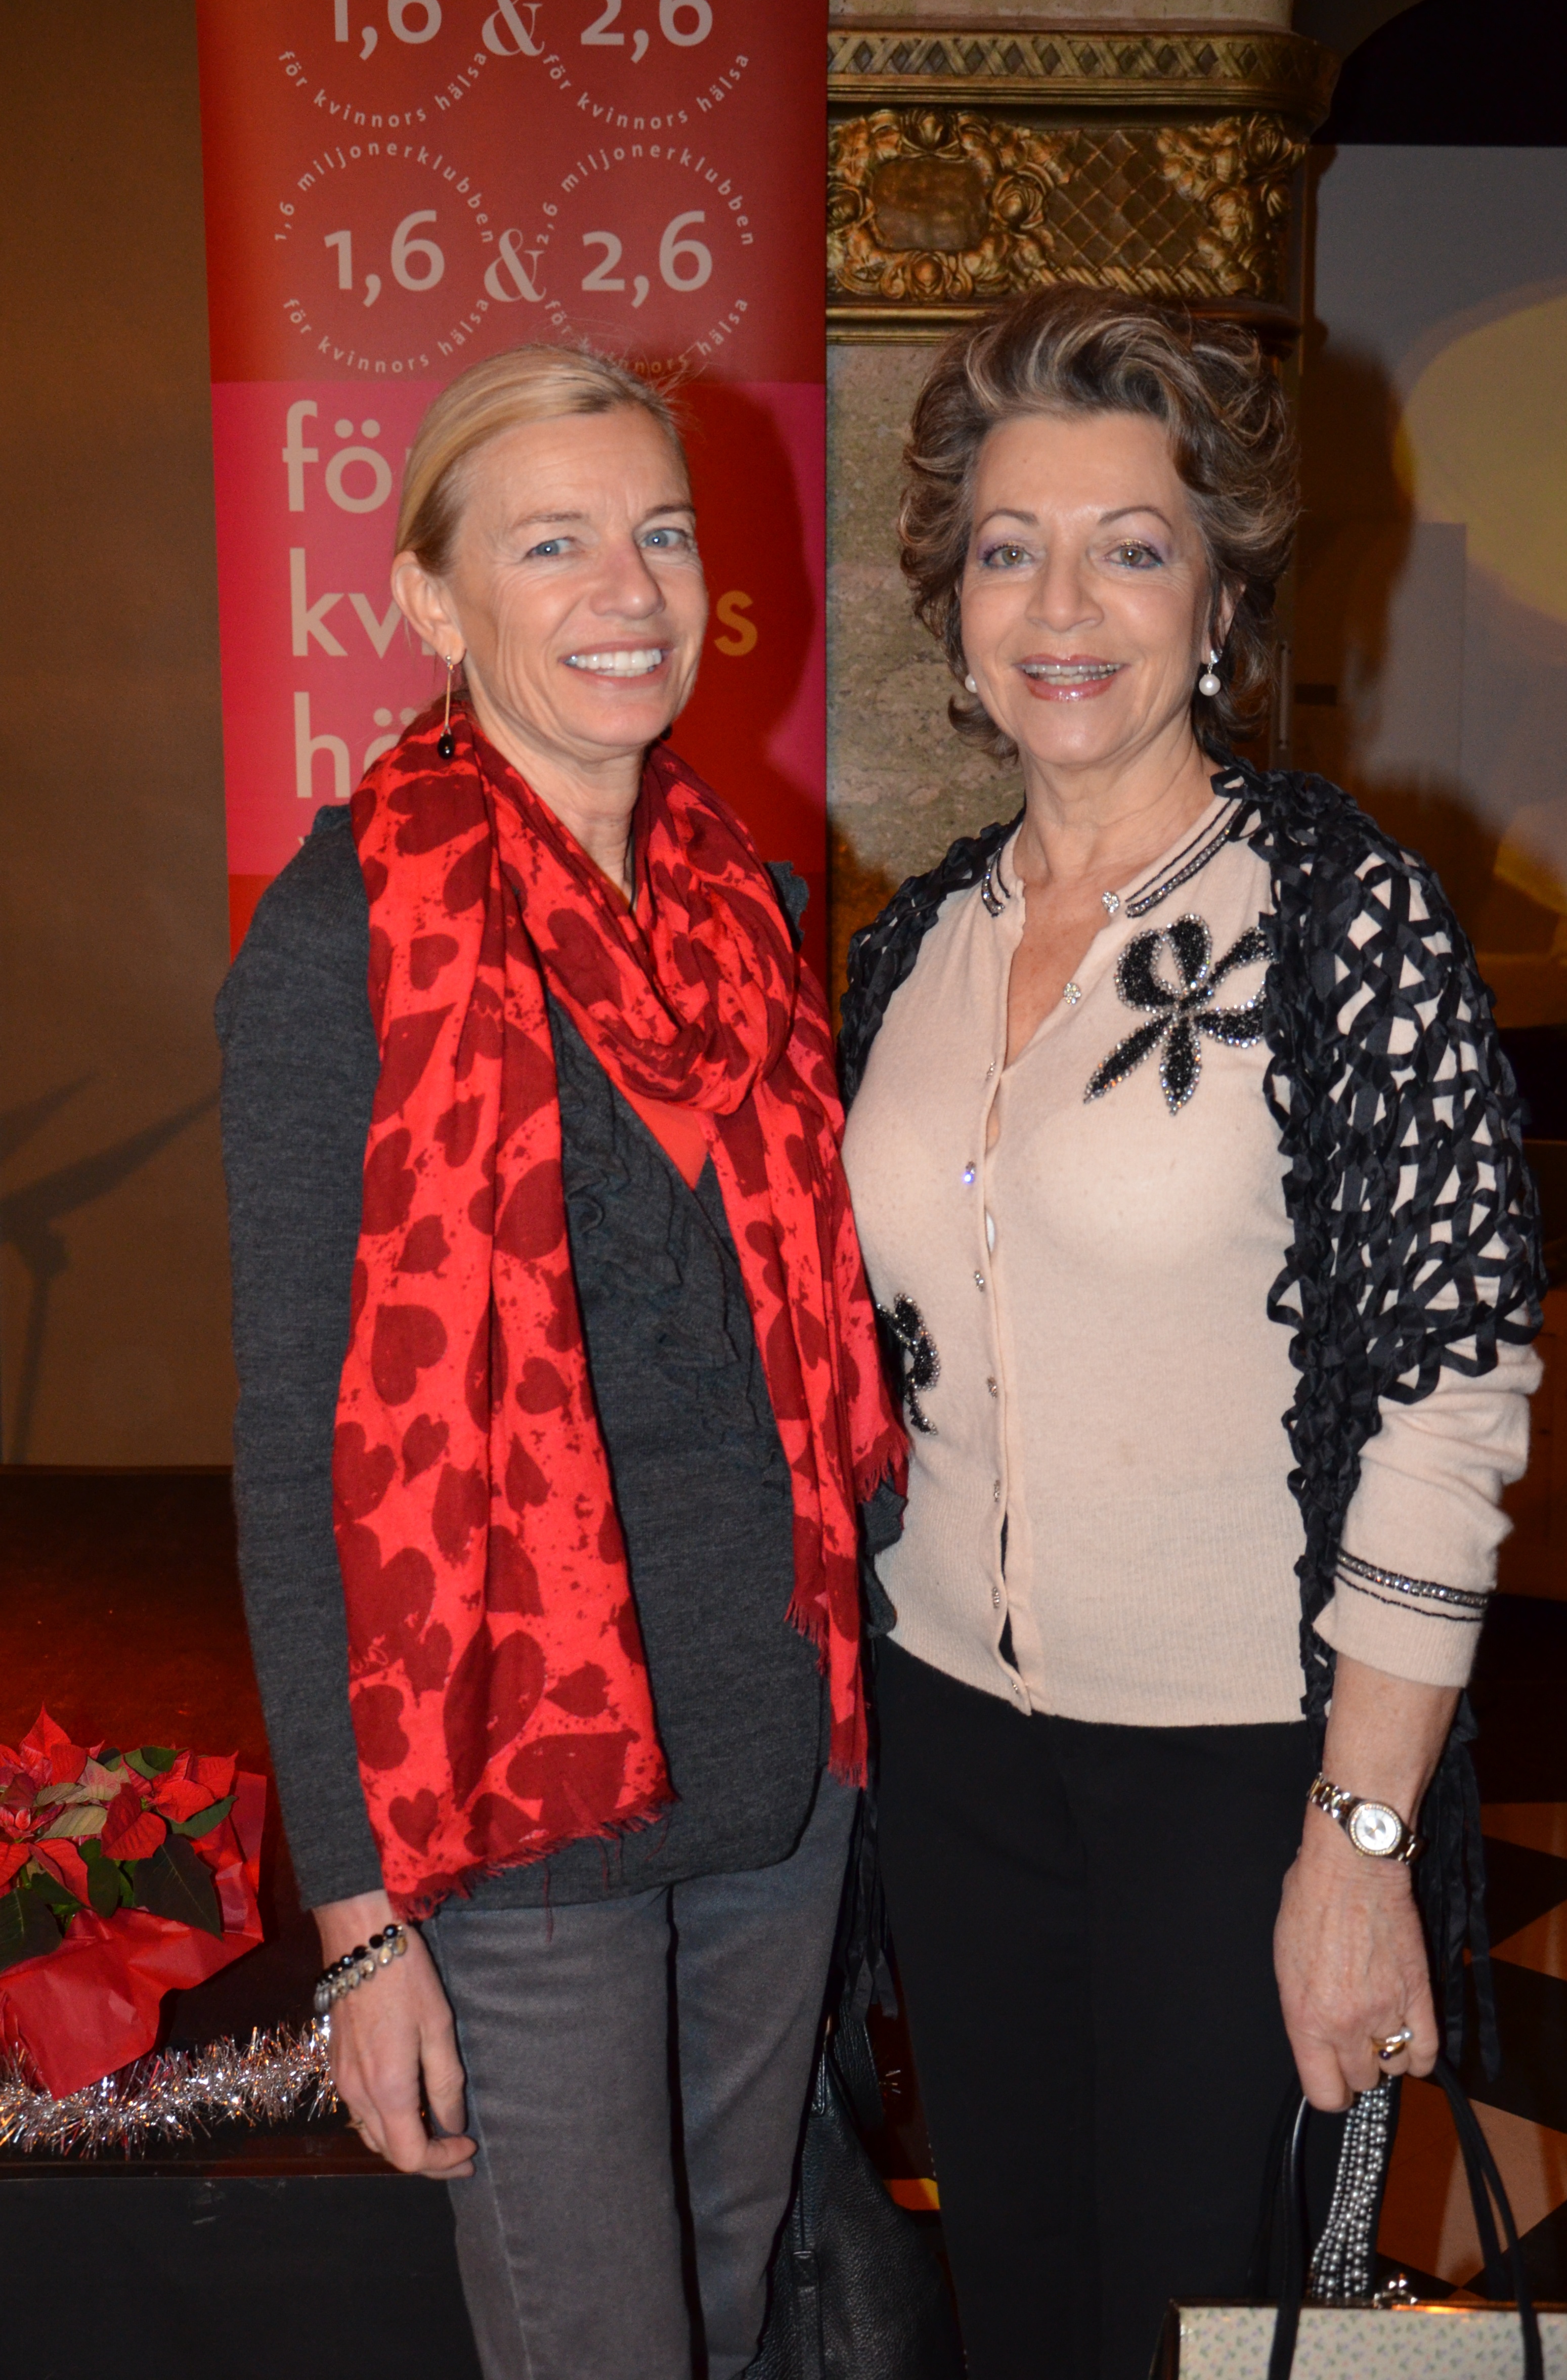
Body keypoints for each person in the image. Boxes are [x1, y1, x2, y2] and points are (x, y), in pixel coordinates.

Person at [837, 285, 1544, 2380]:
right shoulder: (910, 948)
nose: (1062, 606)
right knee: (1019, 2309)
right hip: (950, 1756)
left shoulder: (1338, 919)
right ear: (955, 605)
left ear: (1219, 599)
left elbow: (1450, 1399)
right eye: (1010, 549)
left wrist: (1362, 1837)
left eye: (1129, 547)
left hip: (1238, 1778)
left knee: (1205, 2327)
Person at [216, 344, 903, 2380]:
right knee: (600, 2345)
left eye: (661, 532)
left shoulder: (751, 908)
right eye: (552, 542)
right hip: (516, 1785)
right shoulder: (341, 935)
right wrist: (358, 1918)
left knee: (733, 2311)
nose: (629, 587)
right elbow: (296, 1446)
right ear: (430, 603)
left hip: (776, 1769)